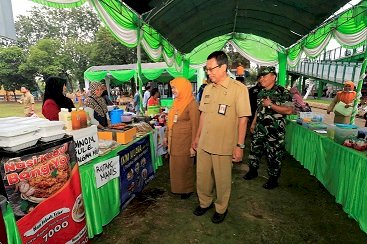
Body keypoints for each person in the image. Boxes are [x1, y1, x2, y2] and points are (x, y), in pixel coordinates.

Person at [192, 51, 251, 223]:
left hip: (224, 145)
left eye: (211, 69)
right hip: (204, 143)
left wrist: (239, 146)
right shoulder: (208, 89)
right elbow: (203, 115)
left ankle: (221, 208)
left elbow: (243, 119)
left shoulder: (238, 89)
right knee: (202, 177)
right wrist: (197, 138)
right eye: (207, 69)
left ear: (223, 67)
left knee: (222, 181)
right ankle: (204, 203)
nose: (208, 72)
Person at [243, 66, 294, 189]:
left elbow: (289, 110)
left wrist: (271, 105)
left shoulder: (283, 92)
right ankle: (253, 171)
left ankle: (273, 179)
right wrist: (254, 122)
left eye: (264, 76)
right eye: (260, 77)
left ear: (273, 77)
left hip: (274, 131)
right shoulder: (261, 92)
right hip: (259, 129)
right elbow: (259, 109)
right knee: (254, 150)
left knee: (274, 155)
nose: (261, 79)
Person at [164, 77, 200, 199]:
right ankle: (178, 187)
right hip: (174, 140)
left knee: (185, 166)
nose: (172, 90)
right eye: (172, 88)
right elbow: (170, 121)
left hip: (185, 142)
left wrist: (193, 146)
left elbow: (196, 126)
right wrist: (166, 137)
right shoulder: (177, 102)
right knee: (176, 166)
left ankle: (187, 189)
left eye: (174, 88)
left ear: (183, 88)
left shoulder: (192, 104)